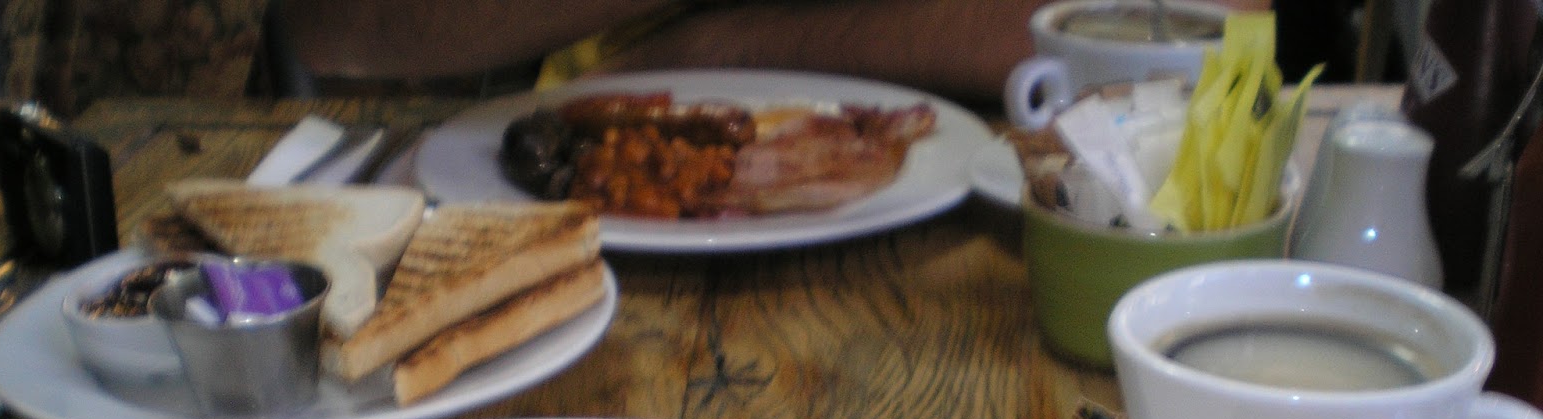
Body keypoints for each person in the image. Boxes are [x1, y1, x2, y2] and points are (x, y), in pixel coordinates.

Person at [278, 0, 1270, 110]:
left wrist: (735, 42)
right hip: (580, 195)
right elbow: (337, 24)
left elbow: (1211, 28)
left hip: (1001, 237)